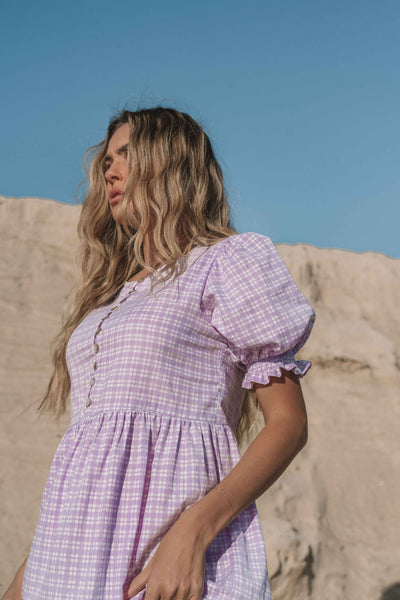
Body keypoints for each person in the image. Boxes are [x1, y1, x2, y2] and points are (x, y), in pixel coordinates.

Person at [3, 106, 315, 600]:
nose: (110, 169)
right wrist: (27, 579)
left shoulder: (225, 263)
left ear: (173, 162)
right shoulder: (110, 297)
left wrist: (194, 532)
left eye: (127, 154)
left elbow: (288, 424)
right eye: (106, 159)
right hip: (67, 563)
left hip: (169, 558)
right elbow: (93, 458)